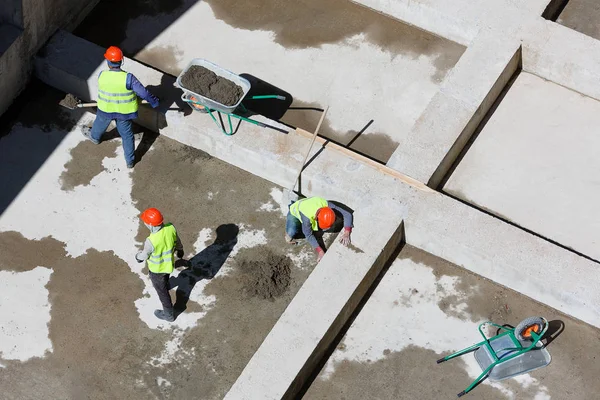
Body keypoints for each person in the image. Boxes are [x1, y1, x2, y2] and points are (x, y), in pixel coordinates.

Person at [82, 45, 160, 168]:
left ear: (107, 61)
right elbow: (143, 93)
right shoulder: (129, 78)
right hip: (124, 113)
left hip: (105, 109)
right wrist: (154, 101)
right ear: (121, 61)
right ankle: (130, 161)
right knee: (127, 135)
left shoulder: (102, 75)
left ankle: (95, 138)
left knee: (99, 124)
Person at [135, 207, 184, 322]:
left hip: (157, 271)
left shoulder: (151, 241)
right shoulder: (170, 228)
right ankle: (166, 284)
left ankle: (168, 315)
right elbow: (177, 240)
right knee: (165, 279)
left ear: (151, 225)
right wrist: (180, 249)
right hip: (168, 265)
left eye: (146, 222)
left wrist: (138, 257)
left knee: (163, 293)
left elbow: (144, 255)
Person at [285, 196, 353, 262]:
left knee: (319, 229)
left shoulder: (327, 204)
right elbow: (308, 235)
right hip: (294, 210)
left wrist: (347, 232)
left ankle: (300, 200)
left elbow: (347, 214)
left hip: (307, 203)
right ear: (317, 219)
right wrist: (320, 251)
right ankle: (288, 236)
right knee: (292, 232)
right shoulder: (307, 219)